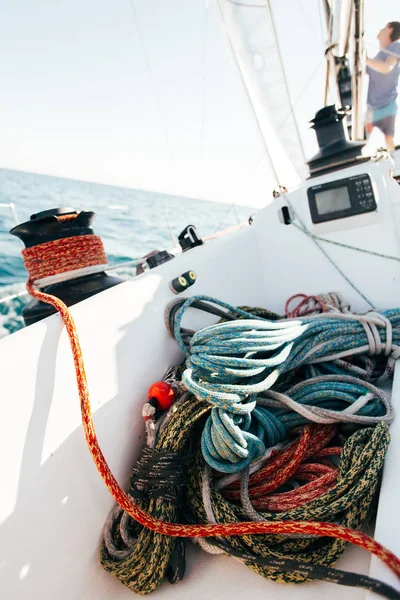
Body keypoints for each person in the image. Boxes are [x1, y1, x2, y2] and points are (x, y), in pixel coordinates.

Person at [366, 22, 400, 151]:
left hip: (386, 105)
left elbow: (387, 68)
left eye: (383, 27)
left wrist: (366, 60)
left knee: (389, 142)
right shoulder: (377, 57)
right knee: (363, 145)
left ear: (390, 29)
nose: (379, 30)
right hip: (371, 110)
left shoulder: (396, 47)